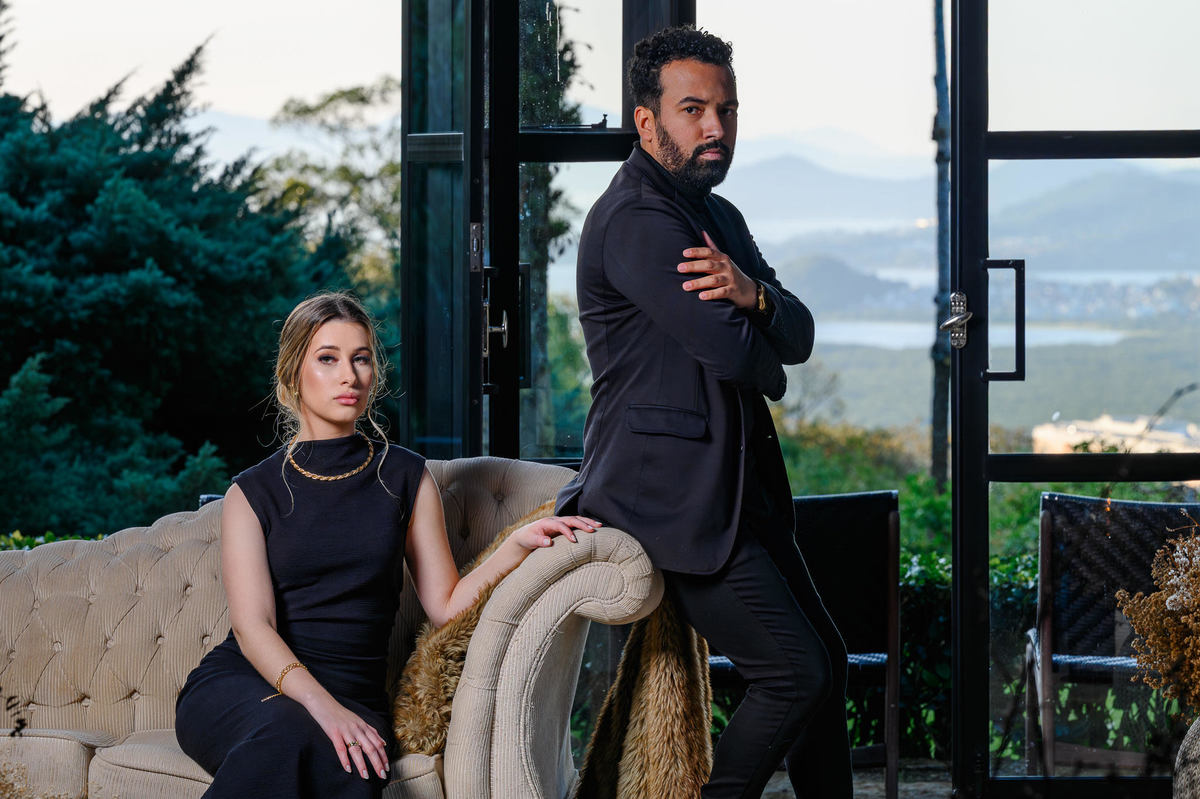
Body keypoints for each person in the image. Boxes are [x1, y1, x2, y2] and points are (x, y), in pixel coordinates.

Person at [555, 26, 852, 798]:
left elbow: (799, 333)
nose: (716, 128)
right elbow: (747, 360)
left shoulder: (718, 217)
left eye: (727, 110)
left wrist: (752, 293)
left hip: (740, 492)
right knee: (795, 672)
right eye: (694, 109)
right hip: (667, 498)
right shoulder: (637, 221)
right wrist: (760, 327)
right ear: (647, 120)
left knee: (828, 663)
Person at [175, 292, 598, 798]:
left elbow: (445, 606)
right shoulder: (253, 492)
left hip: (352, 691)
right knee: (295, 735)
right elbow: (252, 627)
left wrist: (516, 545)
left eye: (361, 358)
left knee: (350, 765)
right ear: (293, 373)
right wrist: (323, 708)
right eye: (327, 359)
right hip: (244, 686)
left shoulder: (405, 477)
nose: (349, 375)